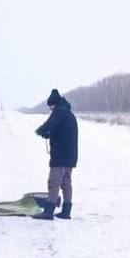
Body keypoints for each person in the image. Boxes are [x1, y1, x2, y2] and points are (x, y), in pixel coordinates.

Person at [33, 88, 78, 220]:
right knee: (66, 183)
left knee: (54, 182)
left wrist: (40, 131)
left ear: (54, 104)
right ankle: (66, 211)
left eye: (50, 107)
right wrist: (49, 134)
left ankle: (48, 211)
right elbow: (59, 130)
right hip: (70, 156)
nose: (50, 109)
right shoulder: (68, 113)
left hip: (60, 156)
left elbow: (49, 124)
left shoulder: (59, 111)